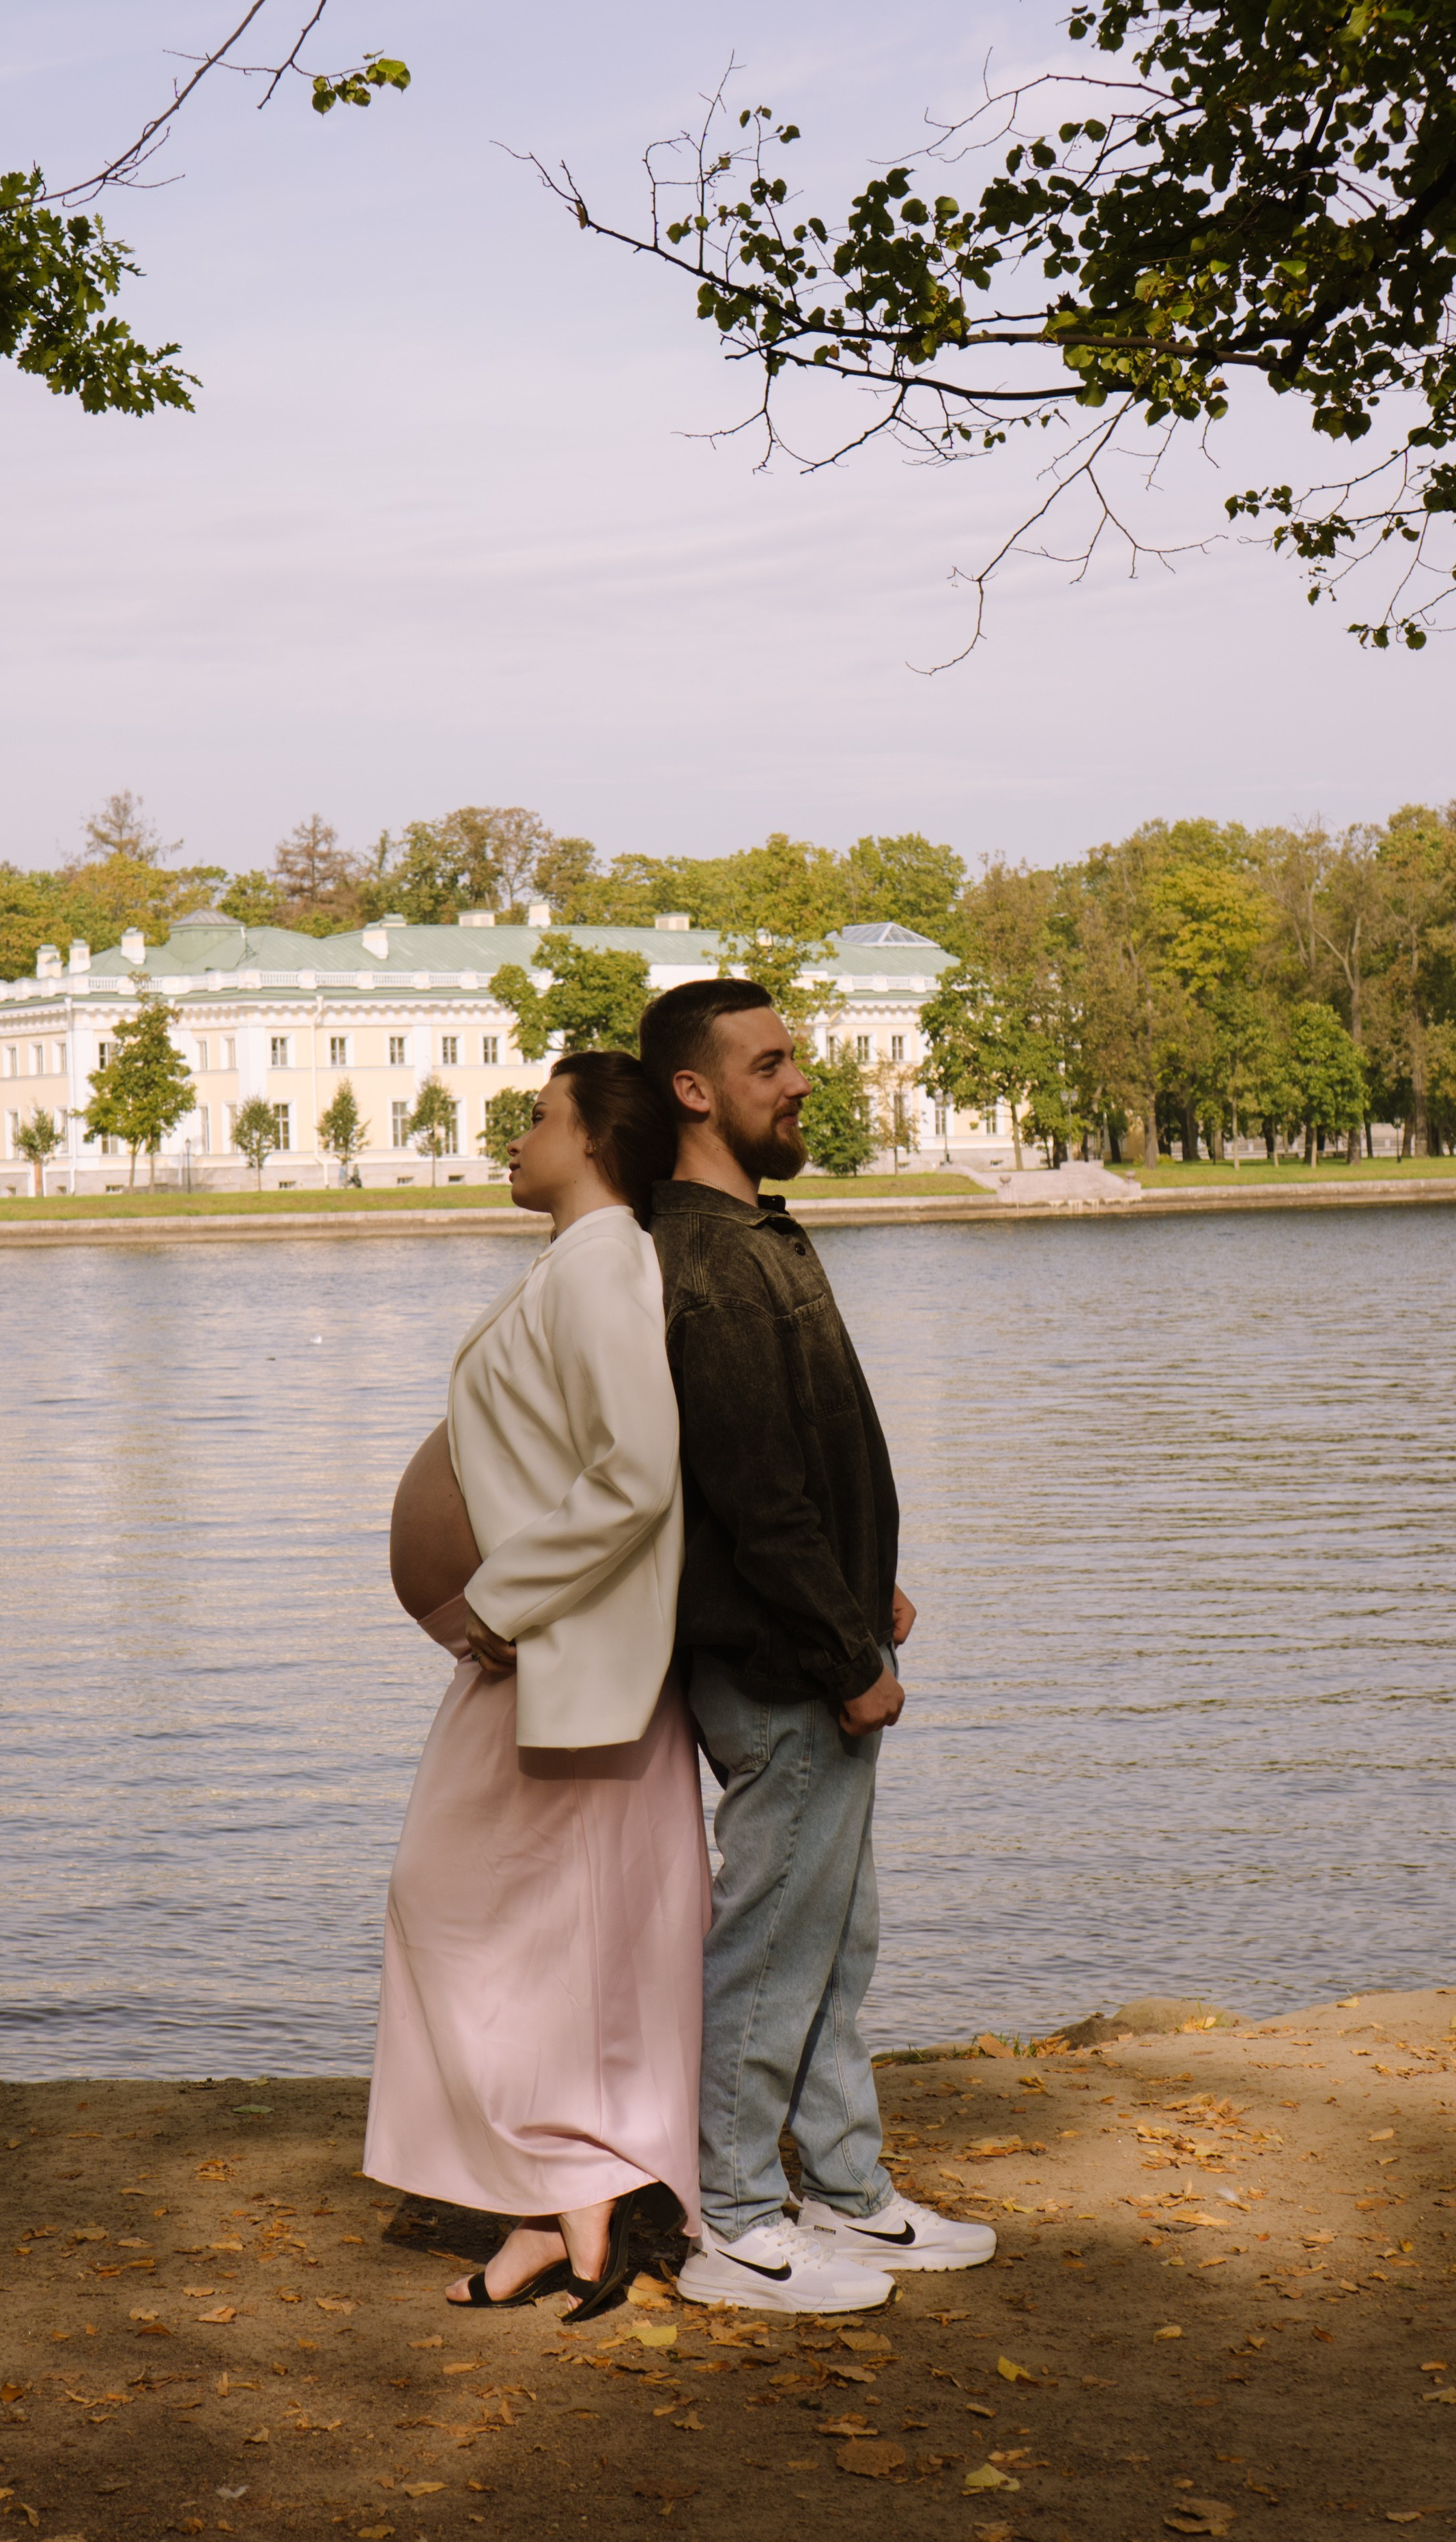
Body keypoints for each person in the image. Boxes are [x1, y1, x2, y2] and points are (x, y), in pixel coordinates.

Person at [638, 978, 997, 2313]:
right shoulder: (705, 1257)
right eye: (770, 1062)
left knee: (837, 1936)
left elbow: (807, 1459)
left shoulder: (756, 1234)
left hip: (819, 1637)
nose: (799, 1081)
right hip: (776, 1662)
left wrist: (870, 1591)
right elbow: (752, 1492)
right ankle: (726, 2223)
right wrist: (848, 1655)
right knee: (770, 1938)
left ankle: (844, 2194)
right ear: (695, 1089)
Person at [363, 1049, 710, 2321]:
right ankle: (556, 2217)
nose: (515, 1134)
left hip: (560, 1655)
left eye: (537, 1116)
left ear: (598, 1139)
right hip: (543, 1659)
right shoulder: (577, 1262)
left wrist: (505, 1603)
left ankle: (578, 2195)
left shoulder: (609, 1261)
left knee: (461, 1906)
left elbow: (639, 1470)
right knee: (550, 1935)